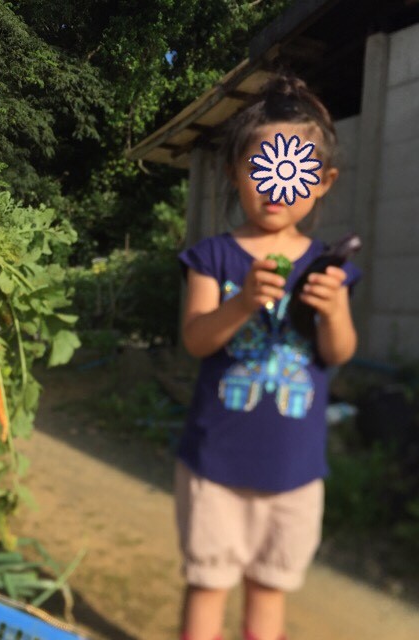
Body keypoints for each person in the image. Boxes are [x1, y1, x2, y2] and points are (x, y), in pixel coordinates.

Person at [175, 75, 361, 640]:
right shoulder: (214, 257)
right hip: (216, 466)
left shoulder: (328, 266)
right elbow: (196, 339)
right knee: (207, 586)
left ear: (323, 181)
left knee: (268, 594)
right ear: (235, 172)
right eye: (263, 169)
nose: (279, 187)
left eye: (296, 171)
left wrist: (333, 312)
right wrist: (243, 304)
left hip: (295, 472)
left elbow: (338, 354)